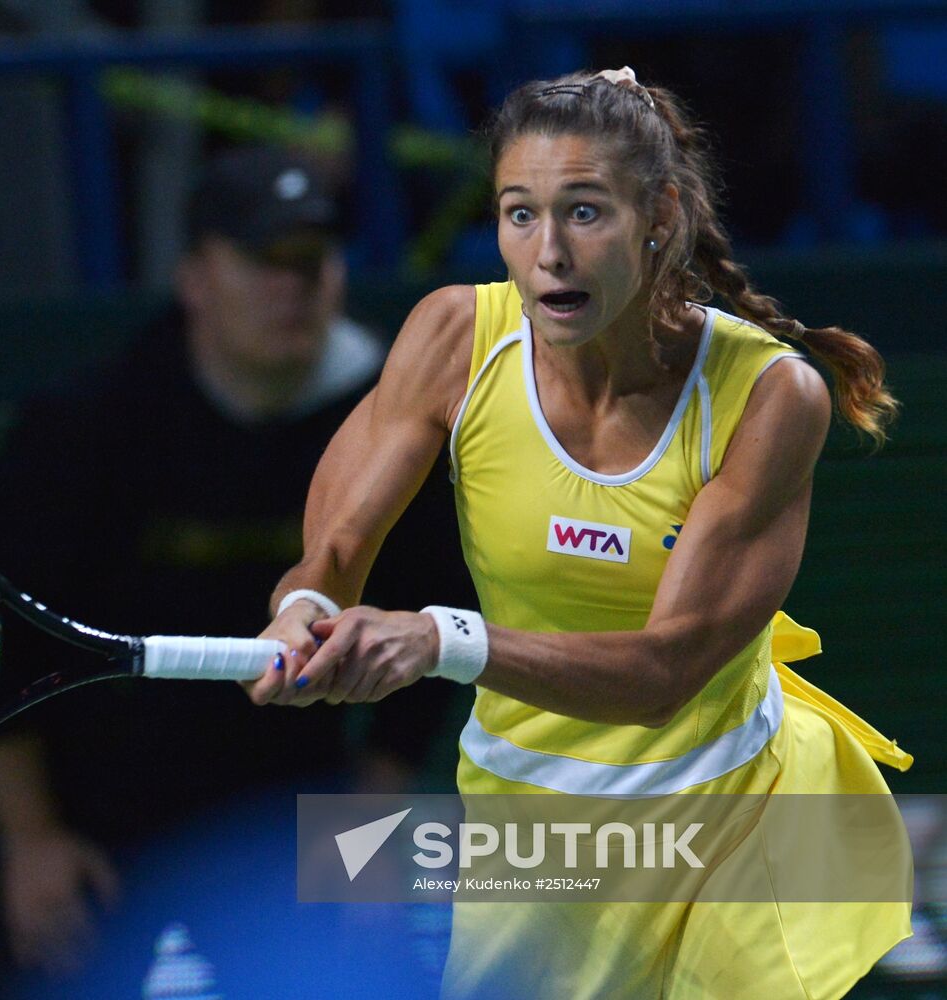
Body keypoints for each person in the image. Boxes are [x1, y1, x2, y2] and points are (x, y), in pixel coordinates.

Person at [248, 68, 915, 999]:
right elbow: (332, 555)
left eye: (585, 212)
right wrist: (305, 611)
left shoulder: (767, 395)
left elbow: (661, 675)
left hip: (726, 819)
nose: (548, 251)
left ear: (661, 215)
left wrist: (443, 639)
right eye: (519, 214)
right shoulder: (451, 339)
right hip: (531, 830)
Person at [0, 145, 473, 999]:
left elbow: (430, 623)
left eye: (311, 260)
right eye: (262, 261)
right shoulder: (86, 425)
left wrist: (372, 809)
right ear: (195, 278)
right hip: (96, 814)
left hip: (295, 816)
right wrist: (32, 838)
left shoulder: (401, 428)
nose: (292, 286)